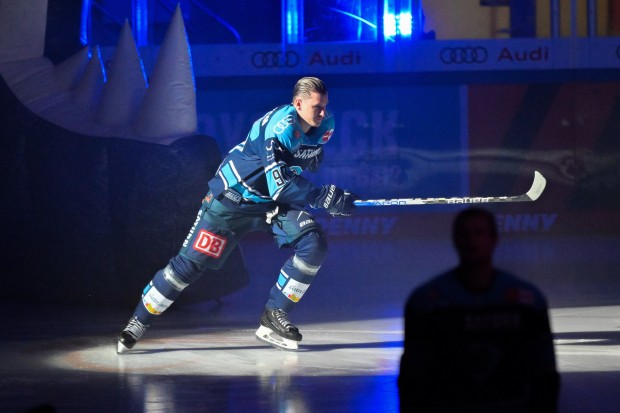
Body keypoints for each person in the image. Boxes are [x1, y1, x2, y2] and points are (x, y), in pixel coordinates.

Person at [117, 77, 357, 353]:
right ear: (298, 103)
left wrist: (338, 200)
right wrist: (320, 196)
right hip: (231, 201)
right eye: (317, 107)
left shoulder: (325, 125)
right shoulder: (279, 128)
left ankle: (273, 317)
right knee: (186, 269)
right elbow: (279, 183)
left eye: (325, 106)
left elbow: (297, 170)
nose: (324, 113)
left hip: (271, 204)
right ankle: (137, 322)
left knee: (314, 245)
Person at [398, 207, 560, 412]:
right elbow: (412, 378)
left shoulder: (527, 302)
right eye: (465, 234)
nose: (471, 241)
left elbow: (545, 376)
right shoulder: (426, 303)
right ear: (455, 240)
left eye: (479, 233)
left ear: (494, 239)